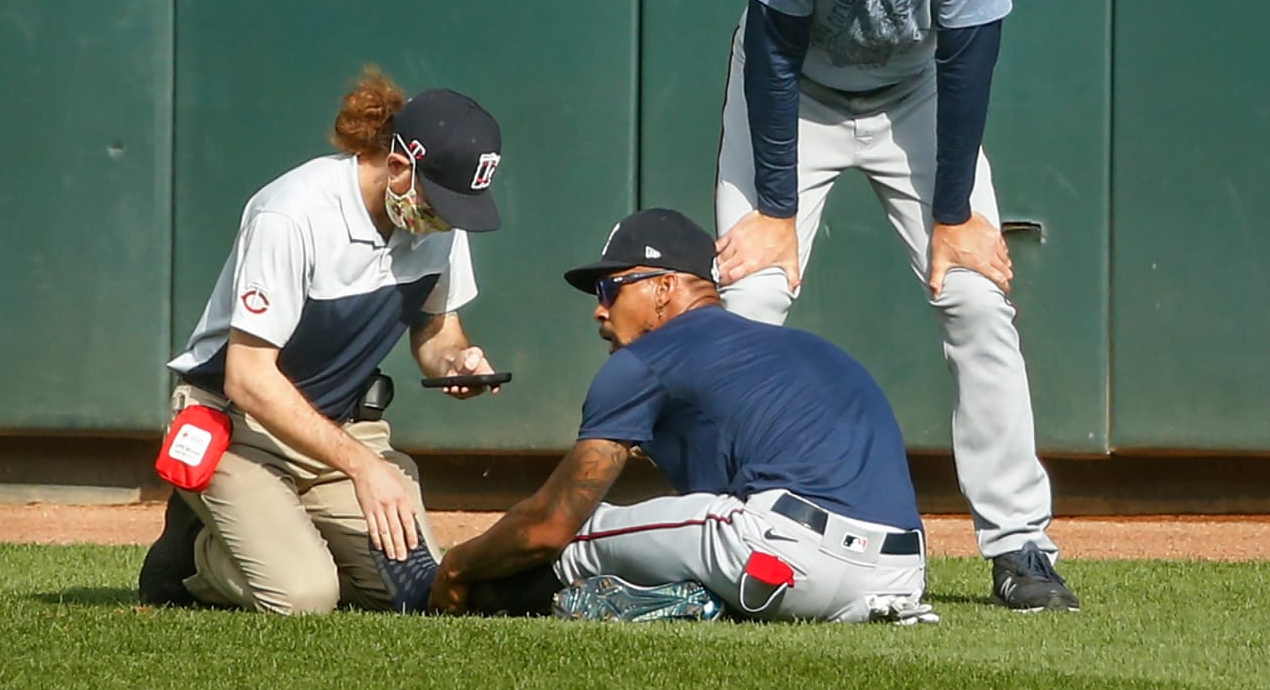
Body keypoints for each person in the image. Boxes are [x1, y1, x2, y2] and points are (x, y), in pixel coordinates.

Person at [712, 0, 1079, 610]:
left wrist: (954, 216)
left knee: (976, 299)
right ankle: (724, 531)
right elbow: (772, 50)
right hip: (794, 91)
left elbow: (969, 61)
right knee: (750, 298)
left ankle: (1020, 544)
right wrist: (776, 210)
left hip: (918, 94)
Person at [424, 208, 938, 624]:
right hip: (898, 579)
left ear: (664, 288)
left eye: (610, 289)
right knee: (687, 526)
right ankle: (682, 597)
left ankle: (461, 600)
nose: (599, 310)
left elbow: (548, 525)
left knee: (581, 534)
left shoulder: (647, 359)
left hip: (785, 559)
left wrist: (456, 567)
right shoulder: (802, 350)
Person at [137, 66, 506, 615]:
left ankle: (282, 534)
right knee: (304, 597)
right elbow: (248, 379)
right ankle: (192, 556)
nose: (449, 220)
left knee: (412, 594)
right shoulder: (292, 213)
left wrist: (456, 360)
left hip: (337, 427)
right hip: (237, 427)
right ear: (399, 167)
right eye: (442, 202)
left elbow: (436, 329)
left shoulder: (436, 223)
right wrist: (364, 466)